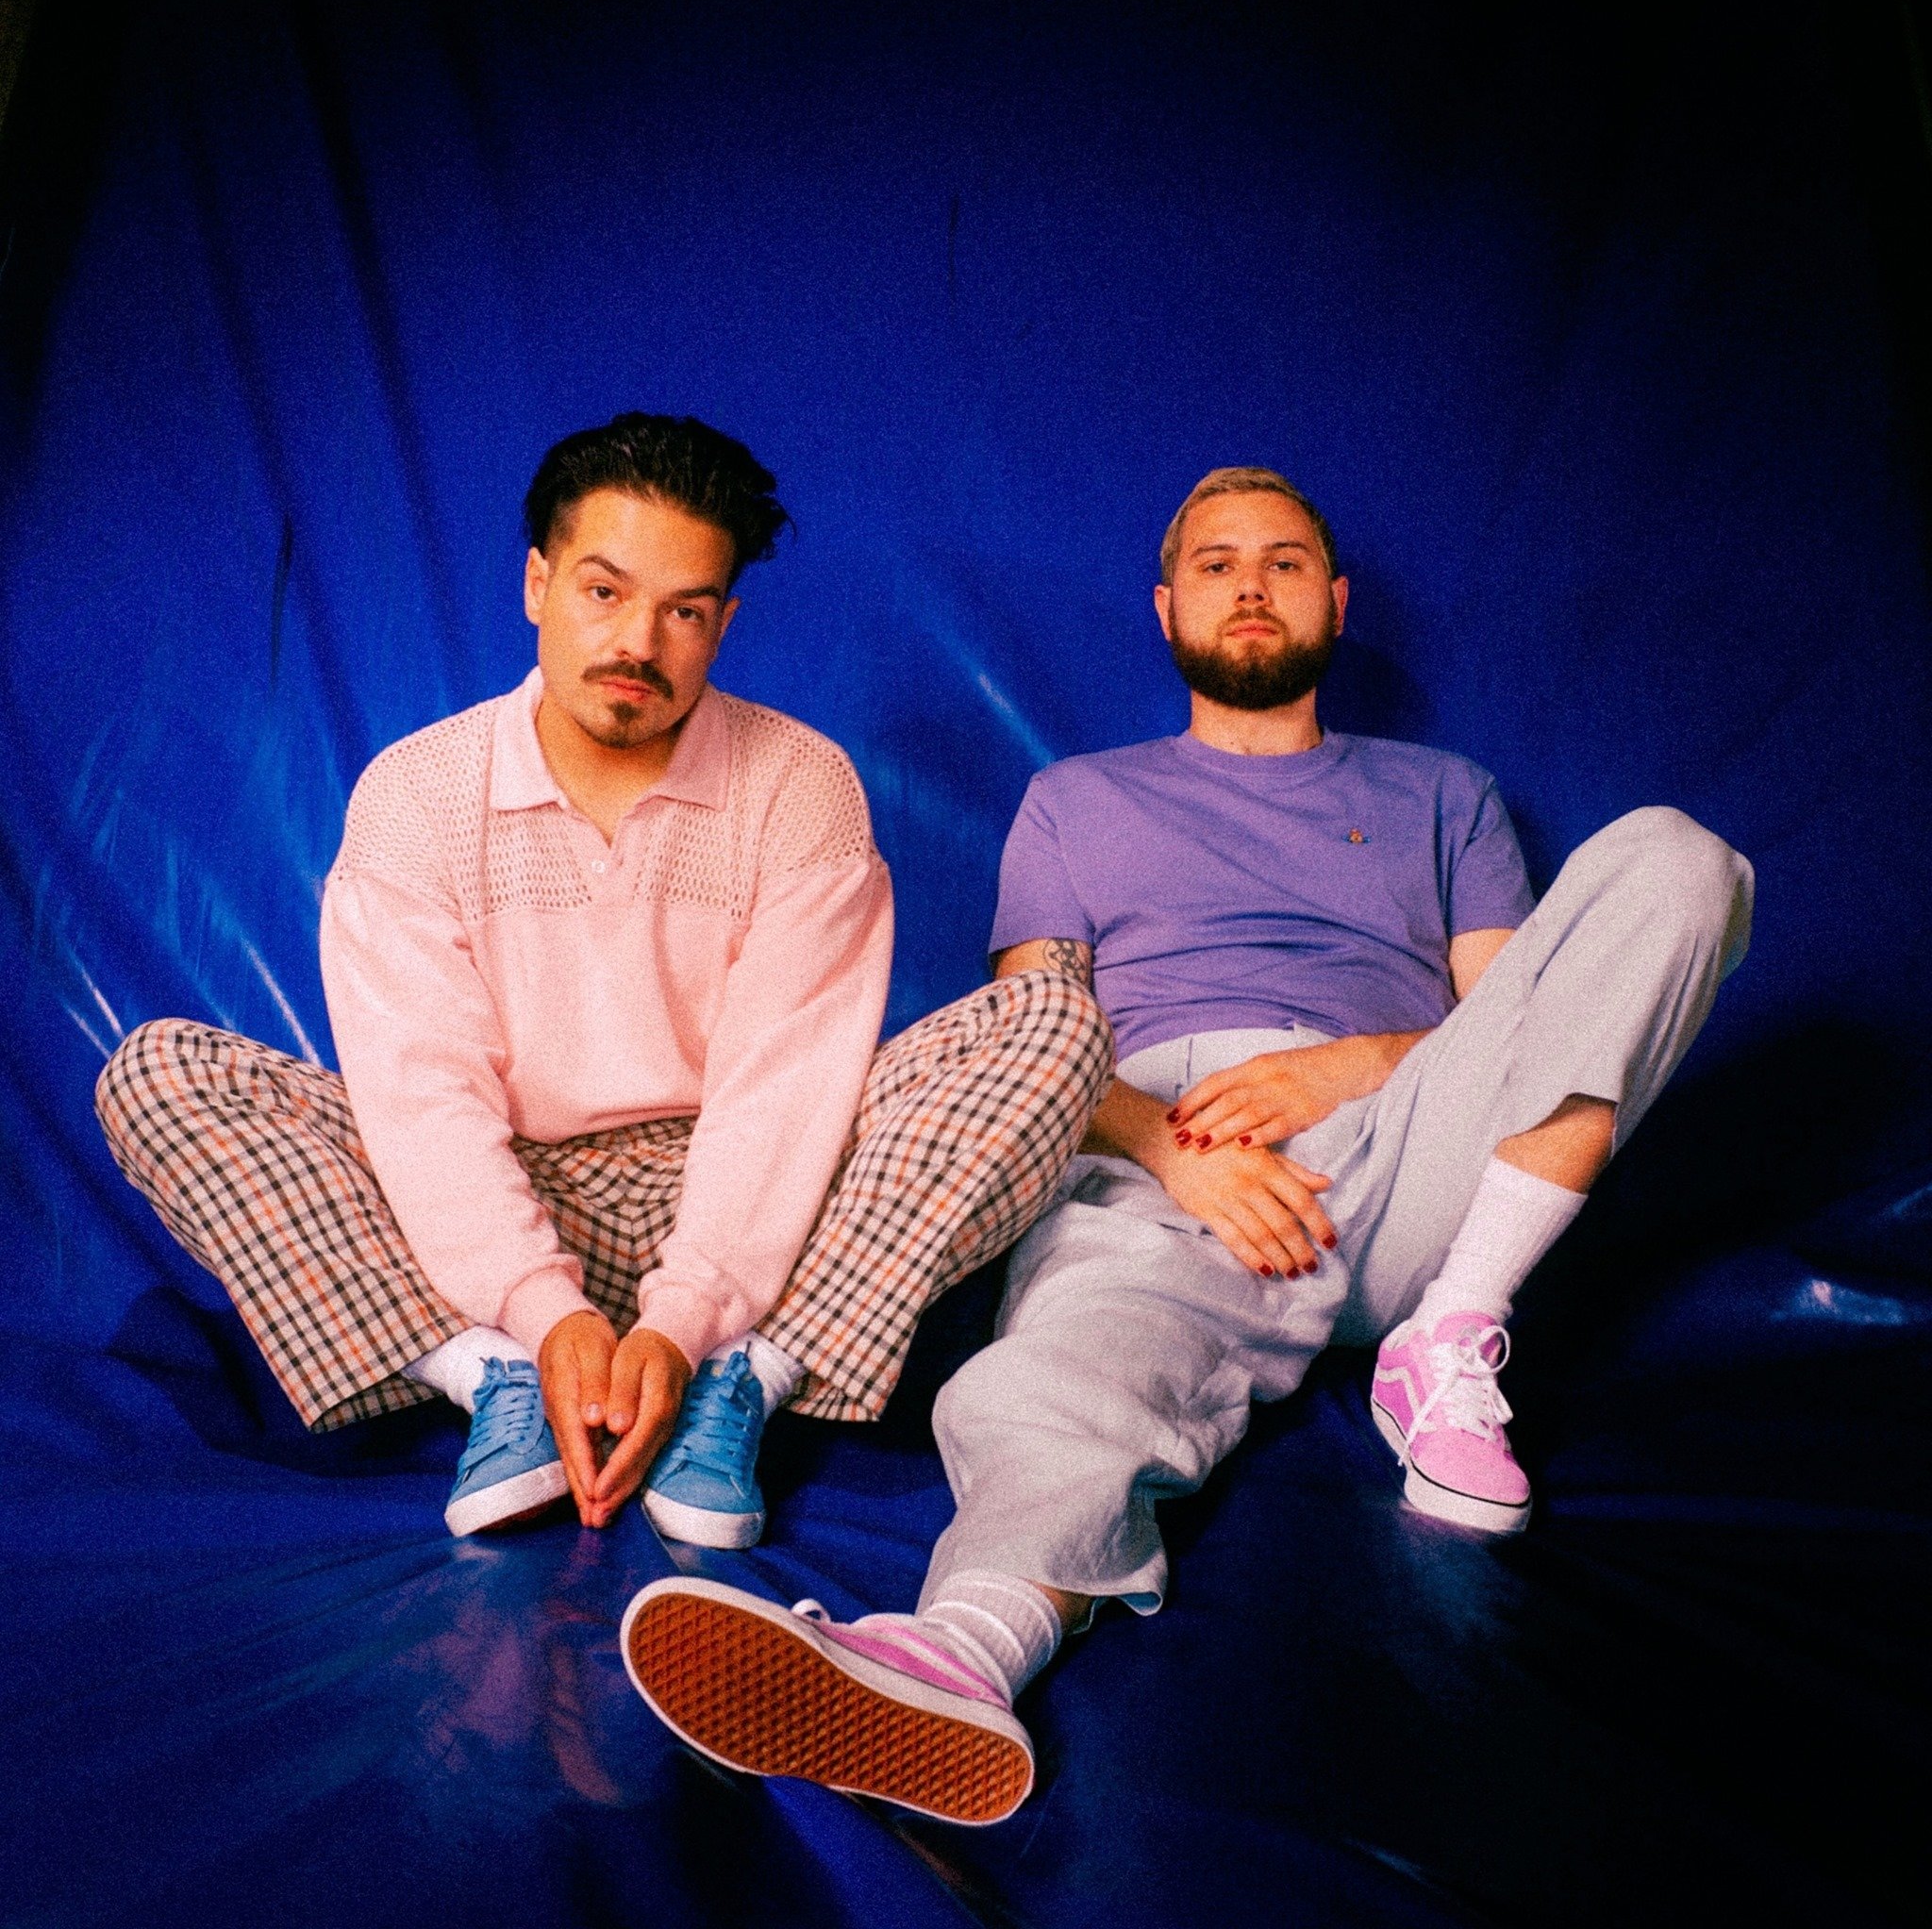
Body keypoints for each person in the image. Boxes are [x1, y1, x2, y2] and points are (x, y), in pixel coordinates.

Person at [620, 465, 1755, 1825]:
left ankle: (1451, 1331)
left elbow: (1525, 1017)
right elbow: (1031, 1036)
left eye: (1284, 560)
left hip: (1416, 1142)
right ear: (1167, 610)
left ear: (1333, 602)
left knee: (1682, 861)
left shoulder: (1445, 794)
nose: (1253, 583)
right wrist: (1173, 1147)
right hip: (1170, 1155)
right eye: (1217, 563)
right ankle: (963, 1651)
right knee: (1067, 1360)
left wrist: (1346, 1064)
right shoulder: (1077, 802)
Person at [95, 413, 1110, 1546]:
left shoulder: (799, 782)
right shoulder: (417, 792)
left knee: (1049, 1018)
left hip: (744, 1193)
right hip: (506, 1186)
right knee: (162, 1069)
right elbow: (424, 1094)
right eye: (604, 591)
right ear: (537, 583)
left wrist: (685, 1323)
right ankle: (493, 1378)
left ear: (724, 622)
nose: (640, 640)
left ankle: (742, 1379)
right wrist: (540, 1313)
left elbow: (780, 1088)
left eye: (684, 611)